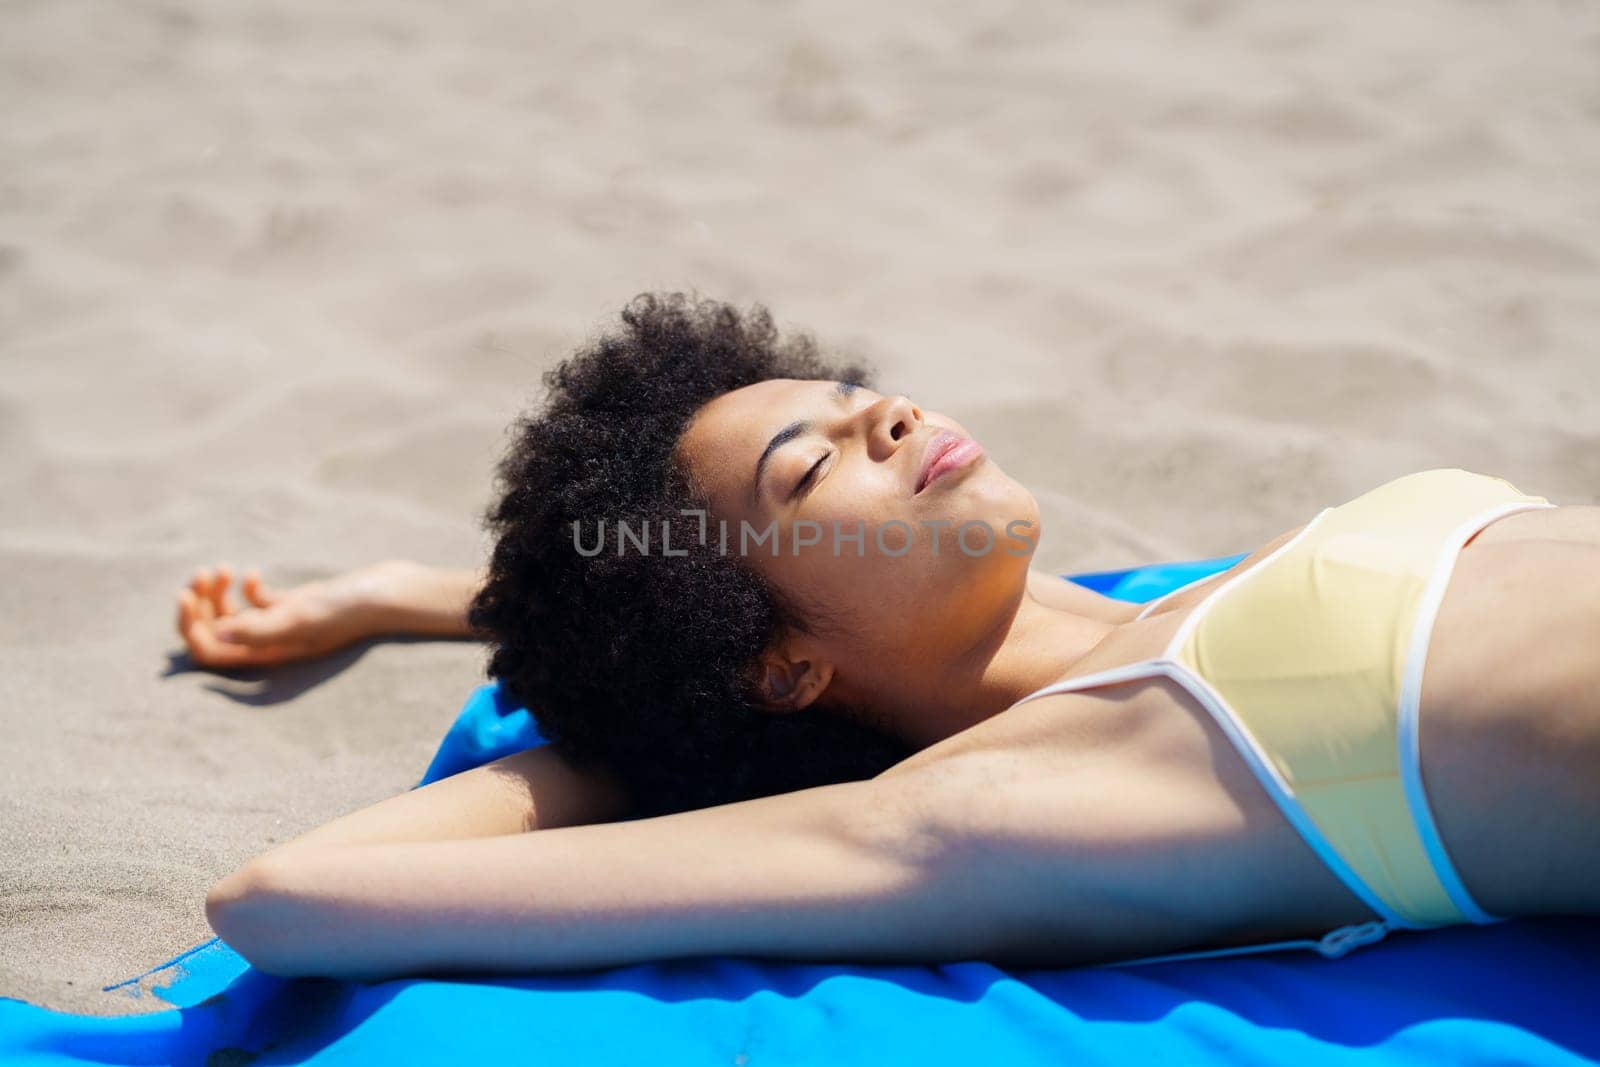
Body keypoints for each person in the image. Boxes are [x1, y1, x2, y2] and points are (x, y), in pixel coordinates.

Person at [191, 291, 1600, 980]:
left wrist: (406, 595)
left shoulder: (1145, 616)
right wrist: (649, 749)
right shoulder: (1008, 801)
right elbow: (284, 897)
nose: (891, 416)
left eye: (859, 396)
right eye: (811, 470)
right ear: (780, 667)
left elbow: (728, 600)